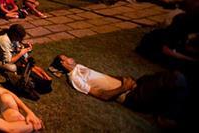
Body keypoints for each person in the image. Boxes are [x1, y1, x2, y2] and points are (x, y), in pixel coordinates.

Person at [50, 54, 189, 128]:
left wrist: (124, 80)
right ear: (63, 63)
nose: (71, 58)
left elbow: (103, 77)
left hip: (130, 86)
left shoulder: (79, 67)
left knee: (165, 77)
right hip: (130, 96)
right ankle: (167, 117)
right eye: (66, 57)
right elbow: (102, 95)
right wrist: (125, 88)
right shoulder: (75, 79)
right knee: (175, 78)